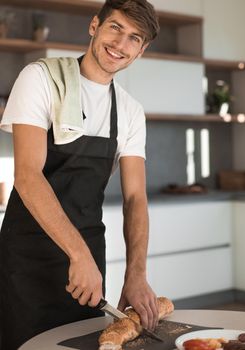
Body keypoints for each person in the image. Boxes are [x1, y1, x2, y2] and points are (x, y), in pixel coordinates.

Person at [0, 0, 160, 348]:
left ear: (142, 49)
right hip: (28, 256)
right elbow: (28, 175)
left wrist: (136, 274)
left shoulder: (131, 112)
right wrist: (78, 254)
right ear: (94, 25)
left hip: (88, 260)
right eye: (115, 27)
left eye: (134, 38)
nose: (121, 44)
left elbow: (135, 197)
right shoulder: (40, 77)